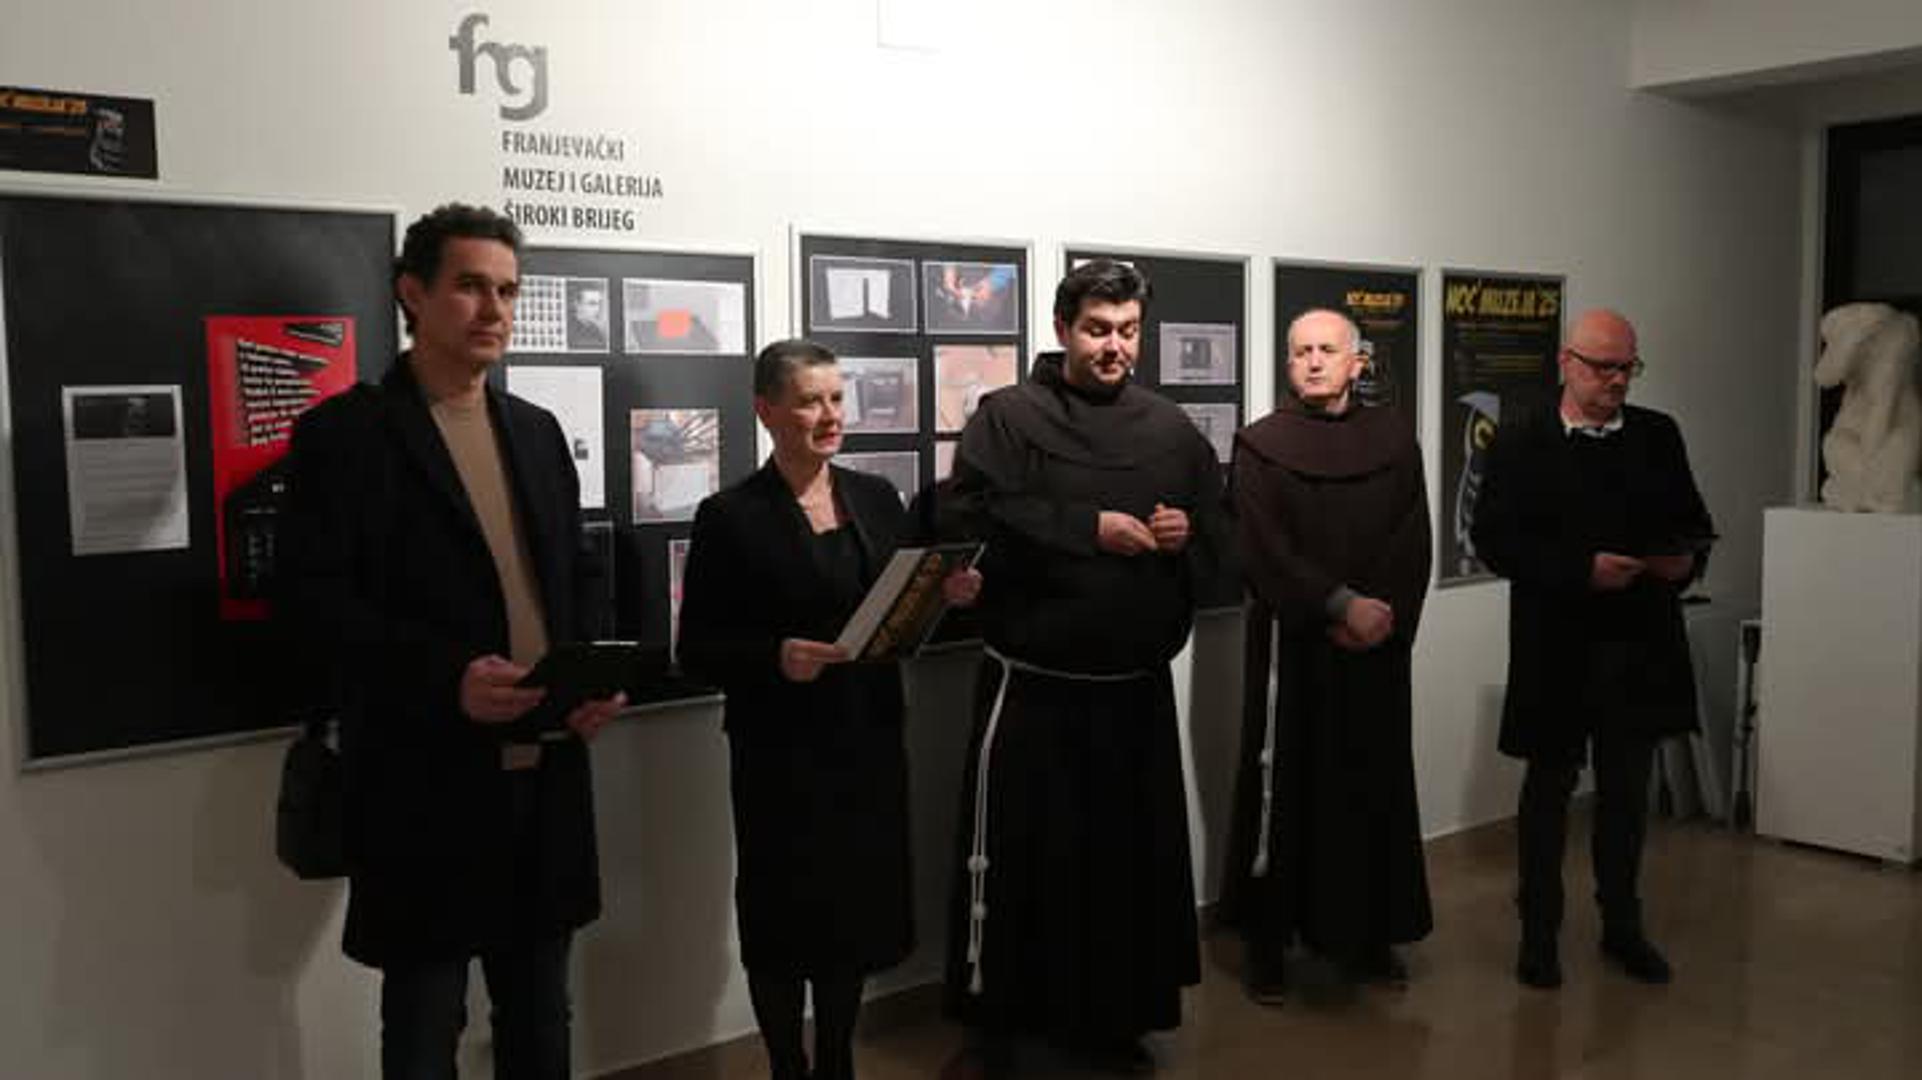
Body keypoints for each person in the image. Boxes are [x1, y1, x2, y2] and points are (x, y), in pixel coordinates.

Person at [278, 203, 626, 1079]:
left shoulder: (537, 432)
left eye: (507, 290)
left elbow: (576, 575)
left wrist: (584, 682)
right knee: (425, 1017)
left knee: (541, 1012)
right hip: (421, 779)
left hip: (544, 774)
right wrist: (445, 680)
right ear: (412, 293)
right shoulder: (345, 436)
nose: (493, 309)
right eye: (470, 286)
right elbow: (314, 606)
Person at [938, 259, 1225, 1076]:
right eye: (1098, 330)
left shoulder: (1171, 428)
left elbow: (1218, 534)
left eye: (1128, 331)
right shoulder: (1007, 417)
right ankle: (1005, 1029)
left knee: (1120, 874)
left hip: (1132, 697)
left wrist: (1181, 534)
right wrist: (1087, 528)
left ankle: (1115, 1021)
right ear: (1063, 328)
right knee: (1025, 868)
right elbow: (972, 515)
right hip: (1034, 691)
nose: (1114, 347)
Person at [677, 339, 981, 1080]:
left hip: (866, 741)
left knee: (852, 919)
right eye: (810, 401)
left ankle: (837, 1061)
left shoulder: (874, 498)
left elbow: (893, 614)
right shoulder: (729, 515)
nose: (829, 415)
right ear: (766, 410)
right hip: (780, 754)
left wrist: (942, 597)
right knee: (783, 921)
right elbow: (698, 649)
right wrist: (775, 655)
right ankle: (789, 1065)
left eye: (837, 398)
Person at [1471, 307, 1715, 990]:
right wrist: (1581, 569)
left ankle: (1623, 927)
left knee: (1627, 795)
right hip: (1556, 646)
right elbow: (1495, 539)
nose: (1617, 381)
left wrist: (1683, 563)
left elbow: (1694, 524)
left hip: (1638, 645)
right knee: (1548, 793)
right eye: (1604, 367)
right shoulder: (1522, 438)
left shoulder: (1658, 434)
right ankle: (1539, 934)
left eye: (1628, 367)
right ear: (1567, 363)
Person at [1217, 309, 1433, 1004]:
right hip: (1295, 648)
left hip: (1375, 652)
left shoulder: (1394, 441)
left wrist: (1380, 616)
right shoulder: (1261, 446)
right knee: (1284, 794)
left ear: (1356, 362)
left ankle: (1367, 937)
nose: (1313, 361)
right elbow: (1261, 548)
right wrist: (1338, 606)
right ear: (1288, 363)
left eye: (1327, 350)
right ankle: (1270, 946)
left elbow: (1413, 542)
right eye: (1301, 351)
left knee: (1370, 789)